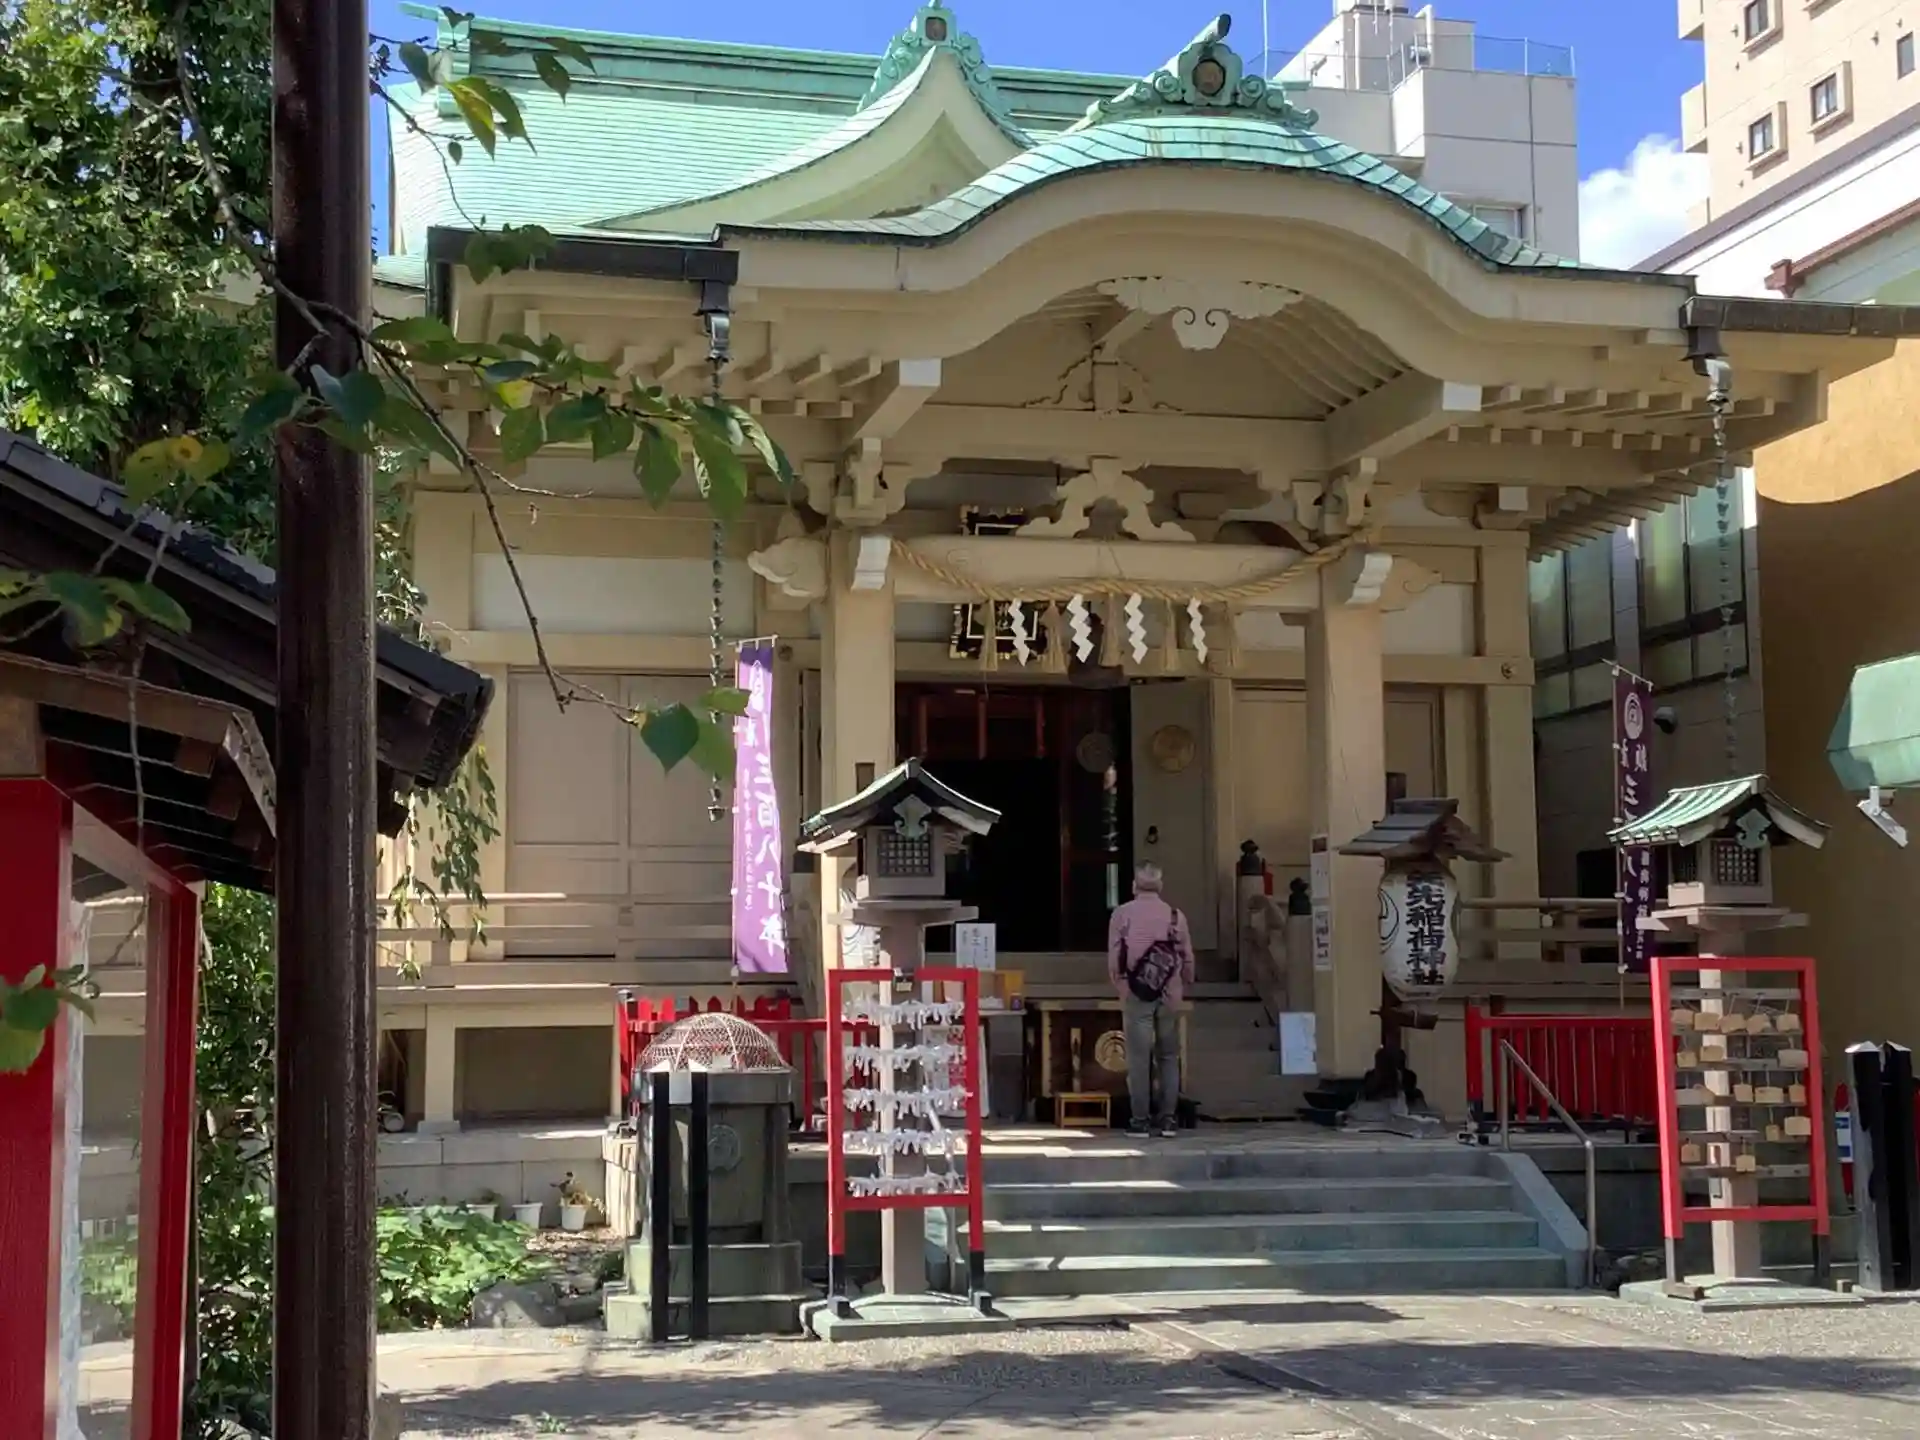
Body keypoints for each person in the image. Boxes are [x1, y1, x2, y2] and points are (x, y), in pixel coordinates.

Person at [1107, 862, 1195, 1138]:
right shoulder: (1175, 916)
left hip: (1138, 991)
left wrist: (1122, 987)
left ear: (1134, 885)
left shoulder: (1122, 914)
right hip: (1169, 994)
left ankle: (1140, 1120)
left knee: (1138, 1058)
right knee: (1168, 1056)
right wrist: (1183, 984)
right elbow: (1187, 957)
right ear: (1160, 886)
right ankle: (1168, 1119)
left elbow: (1115, 957)